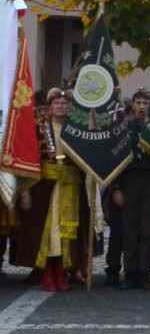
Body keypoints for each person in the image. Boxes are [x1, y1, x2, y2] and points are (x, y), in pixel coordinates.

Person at [14, 88, 86, 290]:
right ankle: (46, 273)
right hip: (44, 187)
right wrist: (25, 192)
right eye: (56, 103)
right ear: (51, 106)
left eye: (64, 103)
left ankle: (61, 272)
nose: (60, 106)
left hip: (70, 186)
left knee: (67, 231)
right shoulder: (38, 128)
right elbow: (28, 160)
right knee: (46, 231)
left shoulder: (76, 129)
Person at [110, 88, 150, 288]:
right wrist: (116, 188)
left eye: (145, 103)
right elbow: (117, 159)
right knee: (129, 230)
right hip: (129, 181)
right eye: (138, 103)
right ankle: (129, 273)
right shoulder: (125, 128)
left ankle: (144, 273)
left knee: (148, 230)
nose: (141, 107)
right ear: (133, 105)